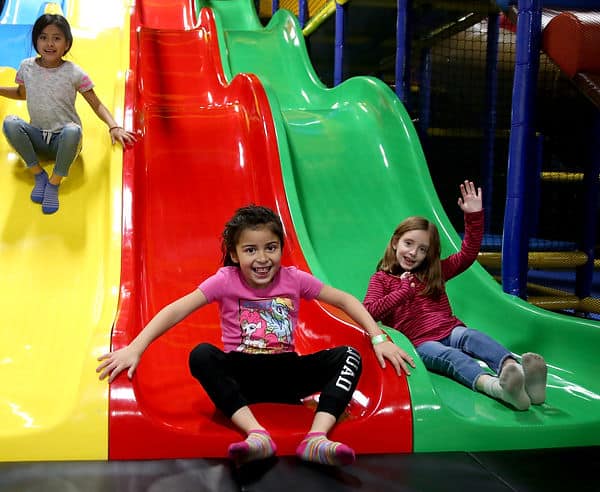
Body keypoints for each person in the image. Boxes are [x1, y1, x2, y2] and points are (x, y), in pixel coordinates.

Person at [96, 205, 415, 466]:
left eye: (270, 248)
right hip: (242, 373)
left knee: (349, 356)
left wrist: (378, 338)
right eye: (251, 250)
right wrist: (135, 348)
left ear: (280, 249)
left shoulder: (294, 279)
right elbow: (176, 310)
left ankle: (316, 438)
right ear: (235, 255)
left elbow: (345, 300)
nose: (262, 259)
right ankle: (256, 435)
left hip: (287, 373)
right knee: (201, 355)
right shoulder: (225, 280)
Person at [363, 180, 548, 411]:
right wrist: (402, 293)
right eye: (408, 244)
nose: (413, 253)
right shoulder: (381, 279)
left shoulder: (434, 272)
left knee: (473, 336)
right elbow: (369, 311)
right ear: (394, 242)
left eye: (423, 249)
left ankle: (520, 375)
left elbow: (468, 254)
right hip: (420, 343)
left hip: (450, 330)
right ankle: (499, 389)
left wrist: (474, 216)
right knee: (452, 357)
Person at [0, 13, 136, 214]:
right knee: (9, 122)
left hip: (65, 143)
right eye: (43, 37)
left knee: (73, 130)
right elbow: (21, 94)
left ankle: (54, 182)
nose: (49, 43)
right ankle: (38, 174)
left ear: (67, 44)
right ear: (36, 40)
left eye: (57, 38)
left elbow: (96, 104)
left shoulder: (74, 73)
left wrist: (114, 126)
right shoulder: (26, 67)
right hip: (37, 138)